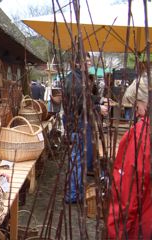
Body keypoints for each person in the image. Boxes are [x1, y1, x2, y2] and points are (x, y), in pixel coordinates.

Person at [107, 62, 152, 239]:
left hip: (141, 227)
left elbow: (129, 194)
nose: (136, 111)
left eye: (137, 105)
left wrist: (116, 232)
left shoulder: (141, 135)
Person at [63, 52, 109, 203]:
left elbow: (86, 97)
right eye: (87, 62)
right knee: (77, 159)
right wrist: (97, 108)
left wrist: (99, 100)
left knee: (80, 159)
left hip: (78, 123)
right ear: (78, 63)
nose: (89, 64)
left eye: (89, 62)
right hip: (77, 124)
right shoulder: (75, 80)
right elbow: (79, 105)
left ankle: (76, 192)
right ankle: (72, 195)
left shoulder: (77, 78)